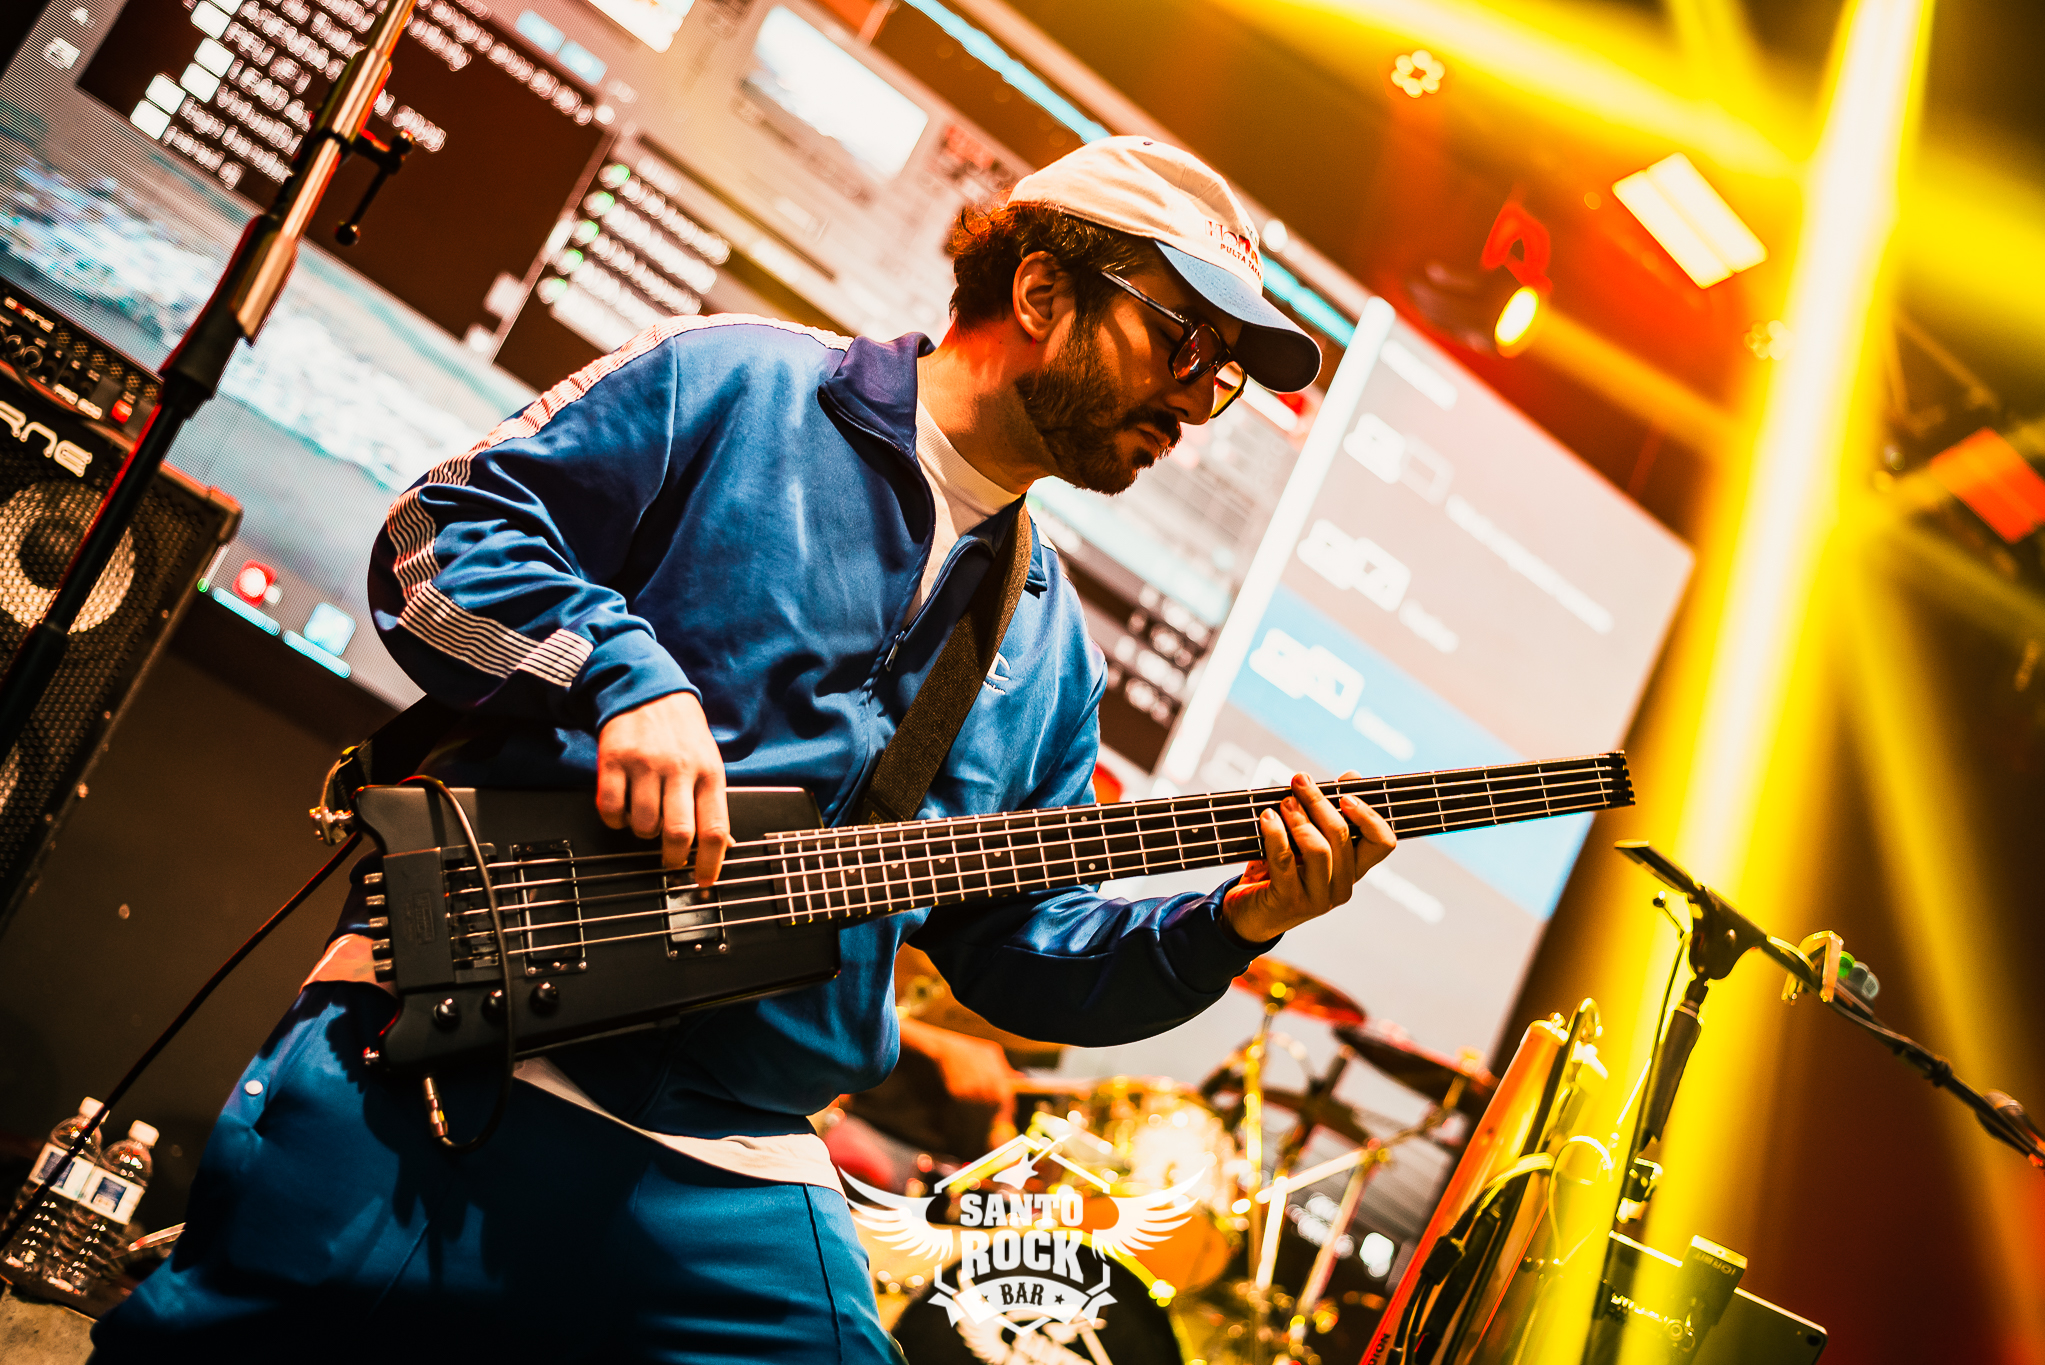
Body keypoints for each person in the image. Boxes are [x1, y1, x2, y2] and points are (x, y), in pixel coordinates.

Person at [92, 136, 1396, 1363]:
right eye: (1185, 341)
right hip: (456, 1061)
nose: (1201, 400)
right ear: (1042, 291)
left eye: (1225, 374)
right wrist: (618, 676)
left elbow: (1020, 954)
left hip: (731, 1161)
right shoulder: (732, 384)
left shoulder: (1051, 653)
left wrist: (1231, 921)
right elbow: (429, 549)